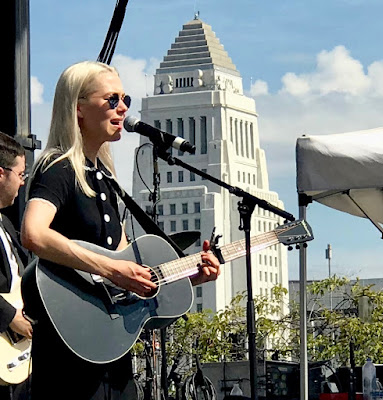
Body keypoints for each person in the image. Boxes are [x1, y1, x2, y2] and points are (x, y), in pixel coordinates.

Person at [20, 60, 220, 400]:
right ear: (79, 108)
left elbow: (129, 273)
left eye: (124, 98)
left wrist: (188, 277)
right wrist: (111, 267)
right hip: (70, 356)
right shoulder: (59, 168)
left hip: (111, 354)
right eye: (112, 99)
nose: (123, 107)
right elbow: (34, 233)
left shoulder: (105, 179)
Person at [0, 131, 32, 400]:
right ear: (1, 174)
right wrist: (10, 317)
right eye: (21, 175)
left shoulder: (7, 225)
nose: (23, 183)